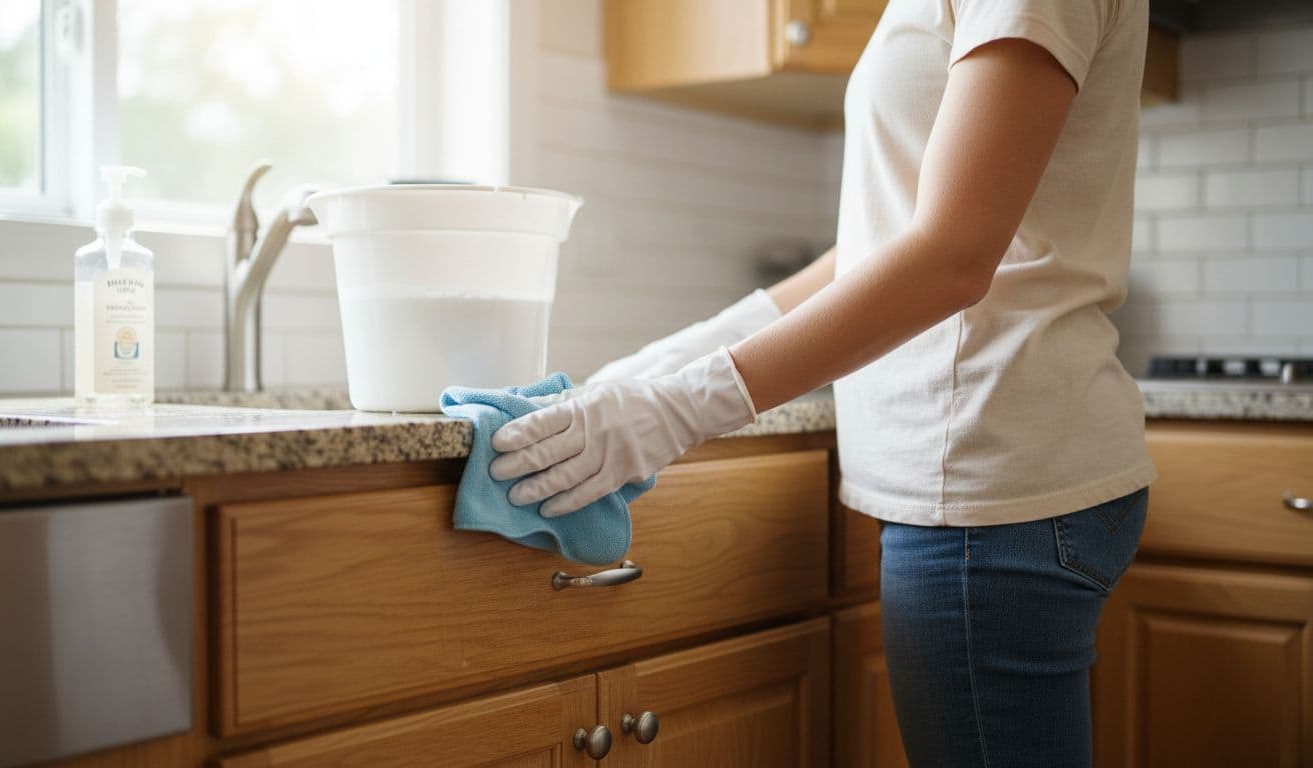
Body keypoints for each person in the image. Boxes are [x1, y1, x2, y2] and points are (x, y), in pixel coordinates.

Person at [489, 0, 1156, 765]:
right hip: (992, 484)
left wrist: (679, 408)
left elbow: (952, 255)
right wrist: (667, 364)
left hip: (990, 489)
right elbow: (886, 245)